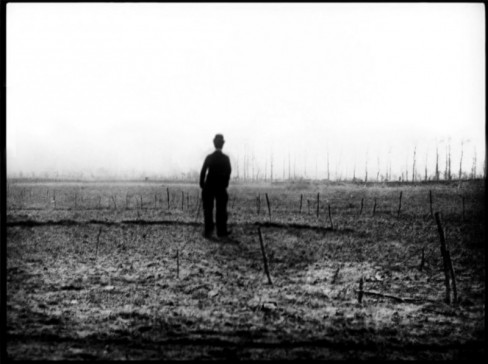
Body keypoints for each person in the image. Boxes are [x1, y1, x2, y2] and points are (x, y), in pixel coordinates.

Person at [200, 134, 232, 239]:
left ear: (214, 144)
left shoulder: (209, 157)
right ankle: (221, 231)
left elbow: (203, 172)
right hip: (221, 187)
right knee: (221, 210)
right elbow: (228, 172)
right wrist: (225, 184)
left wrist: (202, 184)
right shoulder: (225, 158)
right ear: (222, 144)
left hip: (208, 187)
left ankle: (208, 231)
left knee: (208, 210)